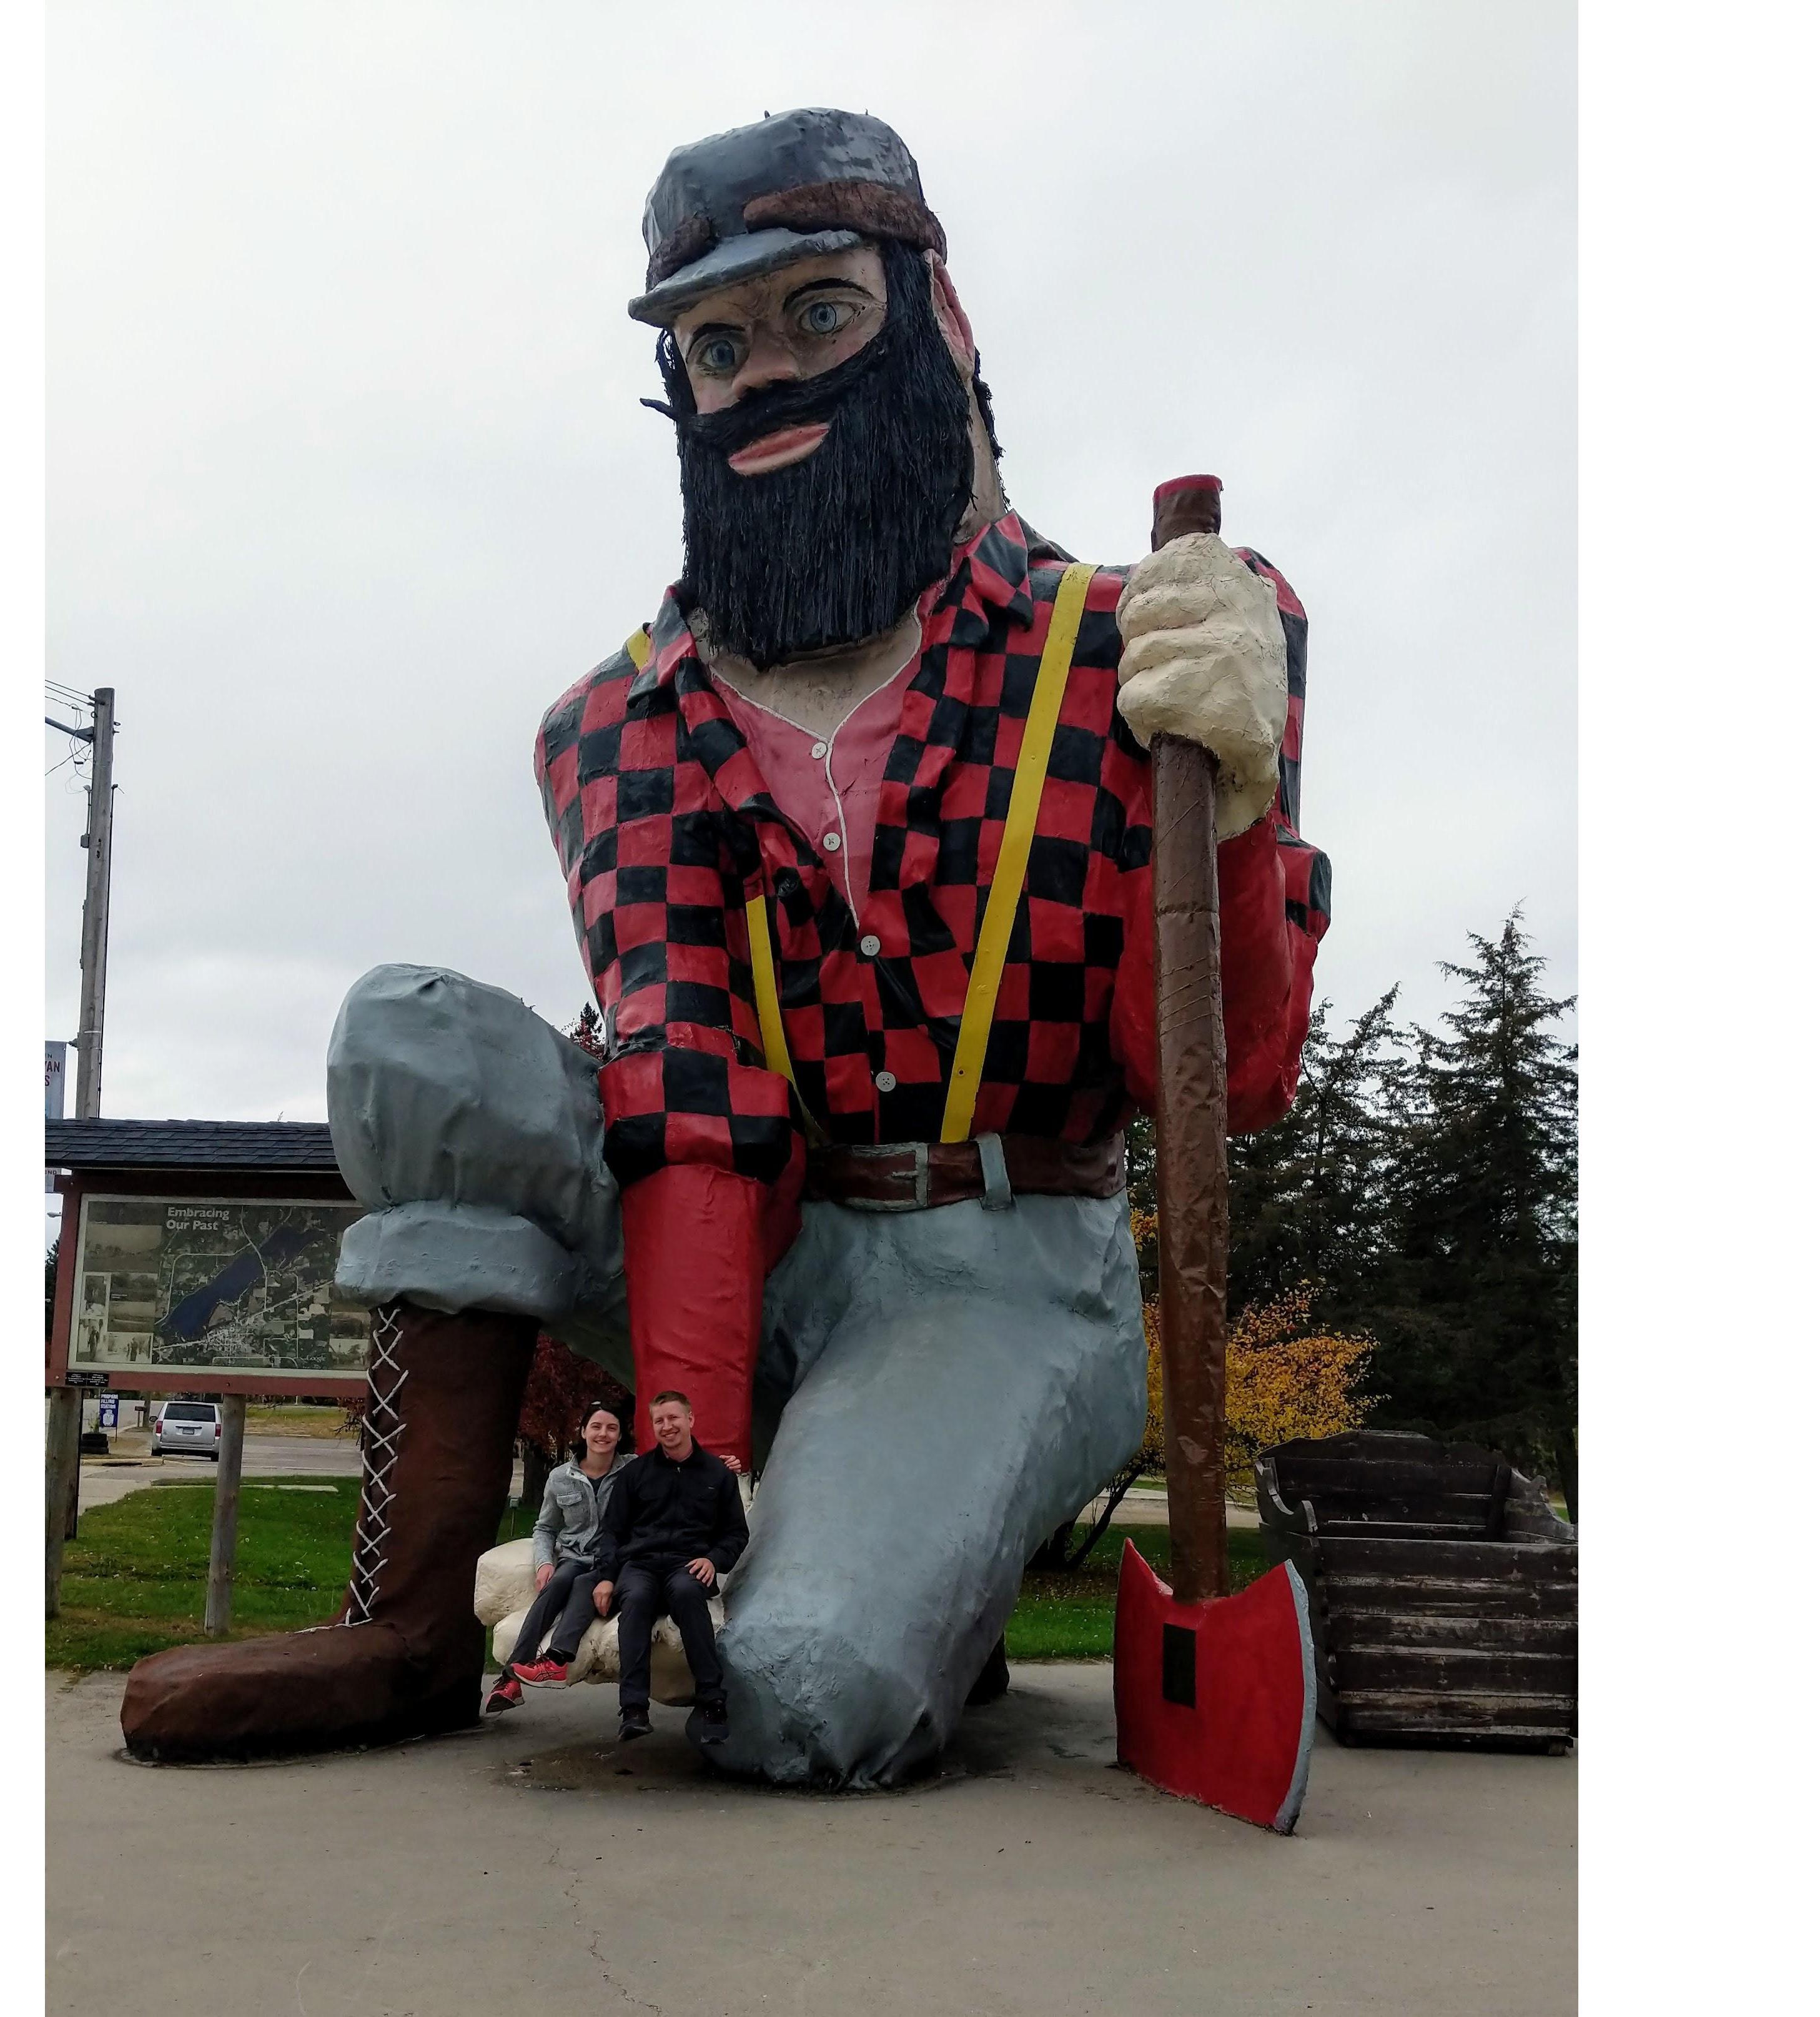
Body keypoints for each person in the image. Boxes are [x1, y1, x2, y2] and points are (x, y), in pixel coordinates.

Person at [120, 107, 1325, 1787]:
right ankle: (405, 1626)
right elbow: (691, 1088)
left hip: (999, 1262)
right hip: (756, 1229)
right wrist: (696, 1474)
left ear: (936, 325)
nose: (760, 376)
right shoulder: (616, 724)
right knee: (415, 1035)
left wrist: (1240, 801)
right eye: (712, 343)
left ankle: (895, 1567)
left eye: (816, 314)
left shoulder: (1145, 637)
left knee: (791, 1697)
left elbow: (1224, 1079)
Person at [588, 1392, 748, 1743]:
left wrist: (714, 1559)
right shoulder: (635, 1474)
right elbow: (611, 1533)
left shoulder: (717, 1475)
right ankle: (633, 1709)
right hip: (640, 1565)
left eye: (673, 1418)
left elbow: (736, 1533)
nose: (667, 1426)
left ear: (690, 1420)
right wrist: (605, 1578)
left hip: (687, 1564)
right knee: (637, 1599)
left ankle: (712, 1703)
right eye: (659, 1421)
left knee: (689, 1593)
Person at [485, 1399, 633, 1712]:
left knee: (582, 1586)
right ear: (583, 1432)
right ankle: (511, 1680)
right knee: (558, 1583)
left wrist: (725, 1464)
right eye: (596, 1427)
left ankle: (552, 1661)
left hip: (613, 1561)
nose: (603, 1434)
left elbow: (676, 1464)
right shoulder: (561, 1477)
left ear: (620, 1436)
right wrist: (544, 1563)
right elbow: (545, 1528)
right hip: (574, 1558)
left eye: (611, 1428)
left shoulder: (633, 1471)